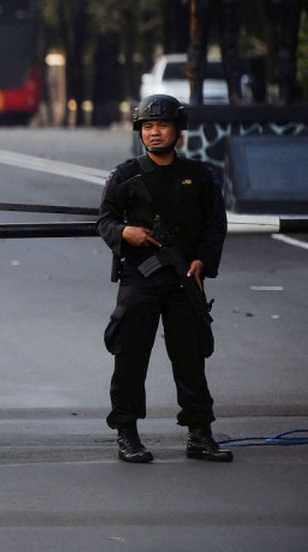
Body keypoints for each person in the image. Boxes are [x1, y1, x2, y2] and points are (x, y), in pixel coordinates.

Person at [96, 94, 232, 464]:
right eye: (148, 127)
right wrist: (127, 233)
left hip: (185, 278)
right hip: (141, 278)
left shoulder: (201, 176)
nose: (154, 133)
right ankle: (126, 433)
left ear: (178, 131)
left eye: (162, 126)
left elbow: (215, 225)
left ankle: (199, 433)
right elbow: (104, 220)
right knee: (131, 358)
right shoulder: (126, 175)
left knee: (190, 358)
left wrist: (203, 261)